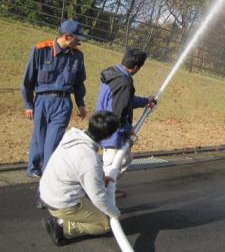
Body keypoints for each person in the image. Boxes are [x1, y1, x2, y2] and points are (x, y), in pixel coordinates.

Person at [39, 111, 121, 246]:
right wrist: (115, 213)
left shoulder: (72, 136)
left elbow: (79, 169)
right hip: (61, 202)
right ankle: (61, 225)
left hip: (47, 191)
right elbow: (98, 196)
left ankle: (62, 217)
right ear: (108, 136)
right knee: (104, 224)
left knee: (100, 206)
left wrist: (100, 178)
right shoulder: (89, 160)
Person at [21, 19, 88, 179]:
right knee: (39, 136)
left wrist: (81, 104)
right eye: (76, 38)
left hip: (63, 102)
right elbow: (27, 80)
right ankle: (33, 168)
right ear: (67, 36)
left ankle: (48, 175)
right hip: (41, 101)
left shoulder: (78, 56)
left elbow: (79, 83)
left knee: (53, 140)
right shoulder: (40, 50)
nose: (79, 42)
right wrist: (28, 104)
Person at [96, 48, 156, 197]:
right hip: (113, 131)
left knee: (125, 158)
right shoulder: (124, 83)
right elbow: (119, 111)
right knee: (111, 164)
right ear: (136, 67)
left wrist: (145, 102)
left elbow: (126, 101)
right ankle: (100, 193)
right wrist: (128, 129)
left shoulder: (114, 74)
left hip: (105, 124)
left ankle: (107, 187)